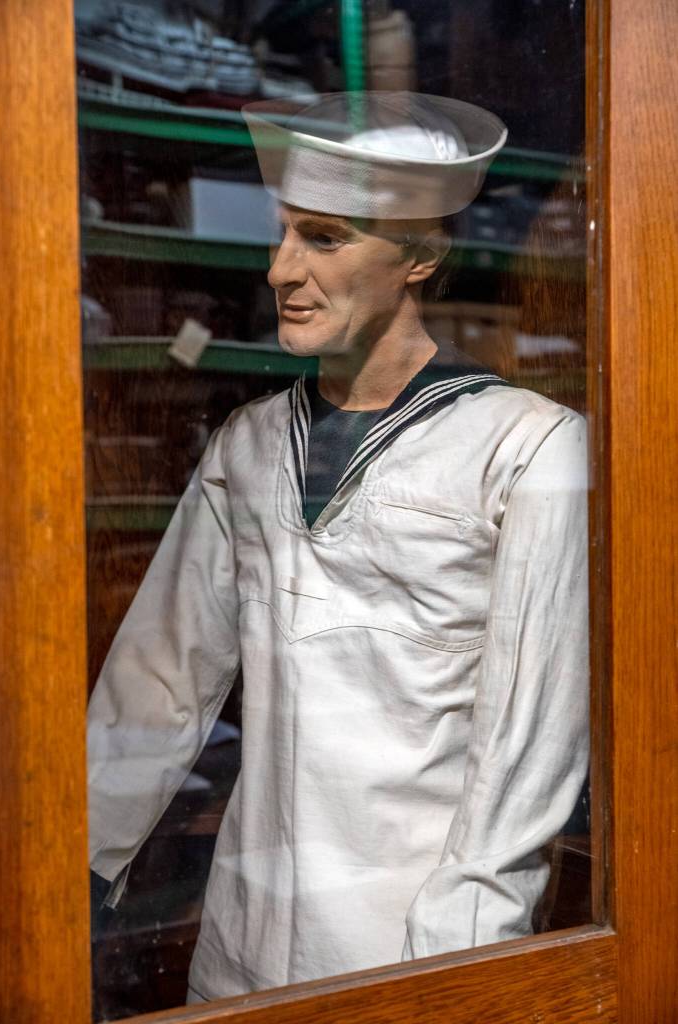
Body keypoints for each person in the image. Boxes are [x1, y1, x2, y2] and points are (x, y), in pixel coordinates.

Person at [87, 92, 589, 1001]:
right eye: (285, 235)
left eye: (324, 239)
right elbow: (160, 678)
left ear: (421, 257)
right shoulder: (247, 442)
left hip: (400, 954)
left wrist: (461, 966)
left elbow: (529, 743)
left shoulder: (527, 448)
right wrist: (83, 854)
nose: (281, 269)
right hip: (238, 943)